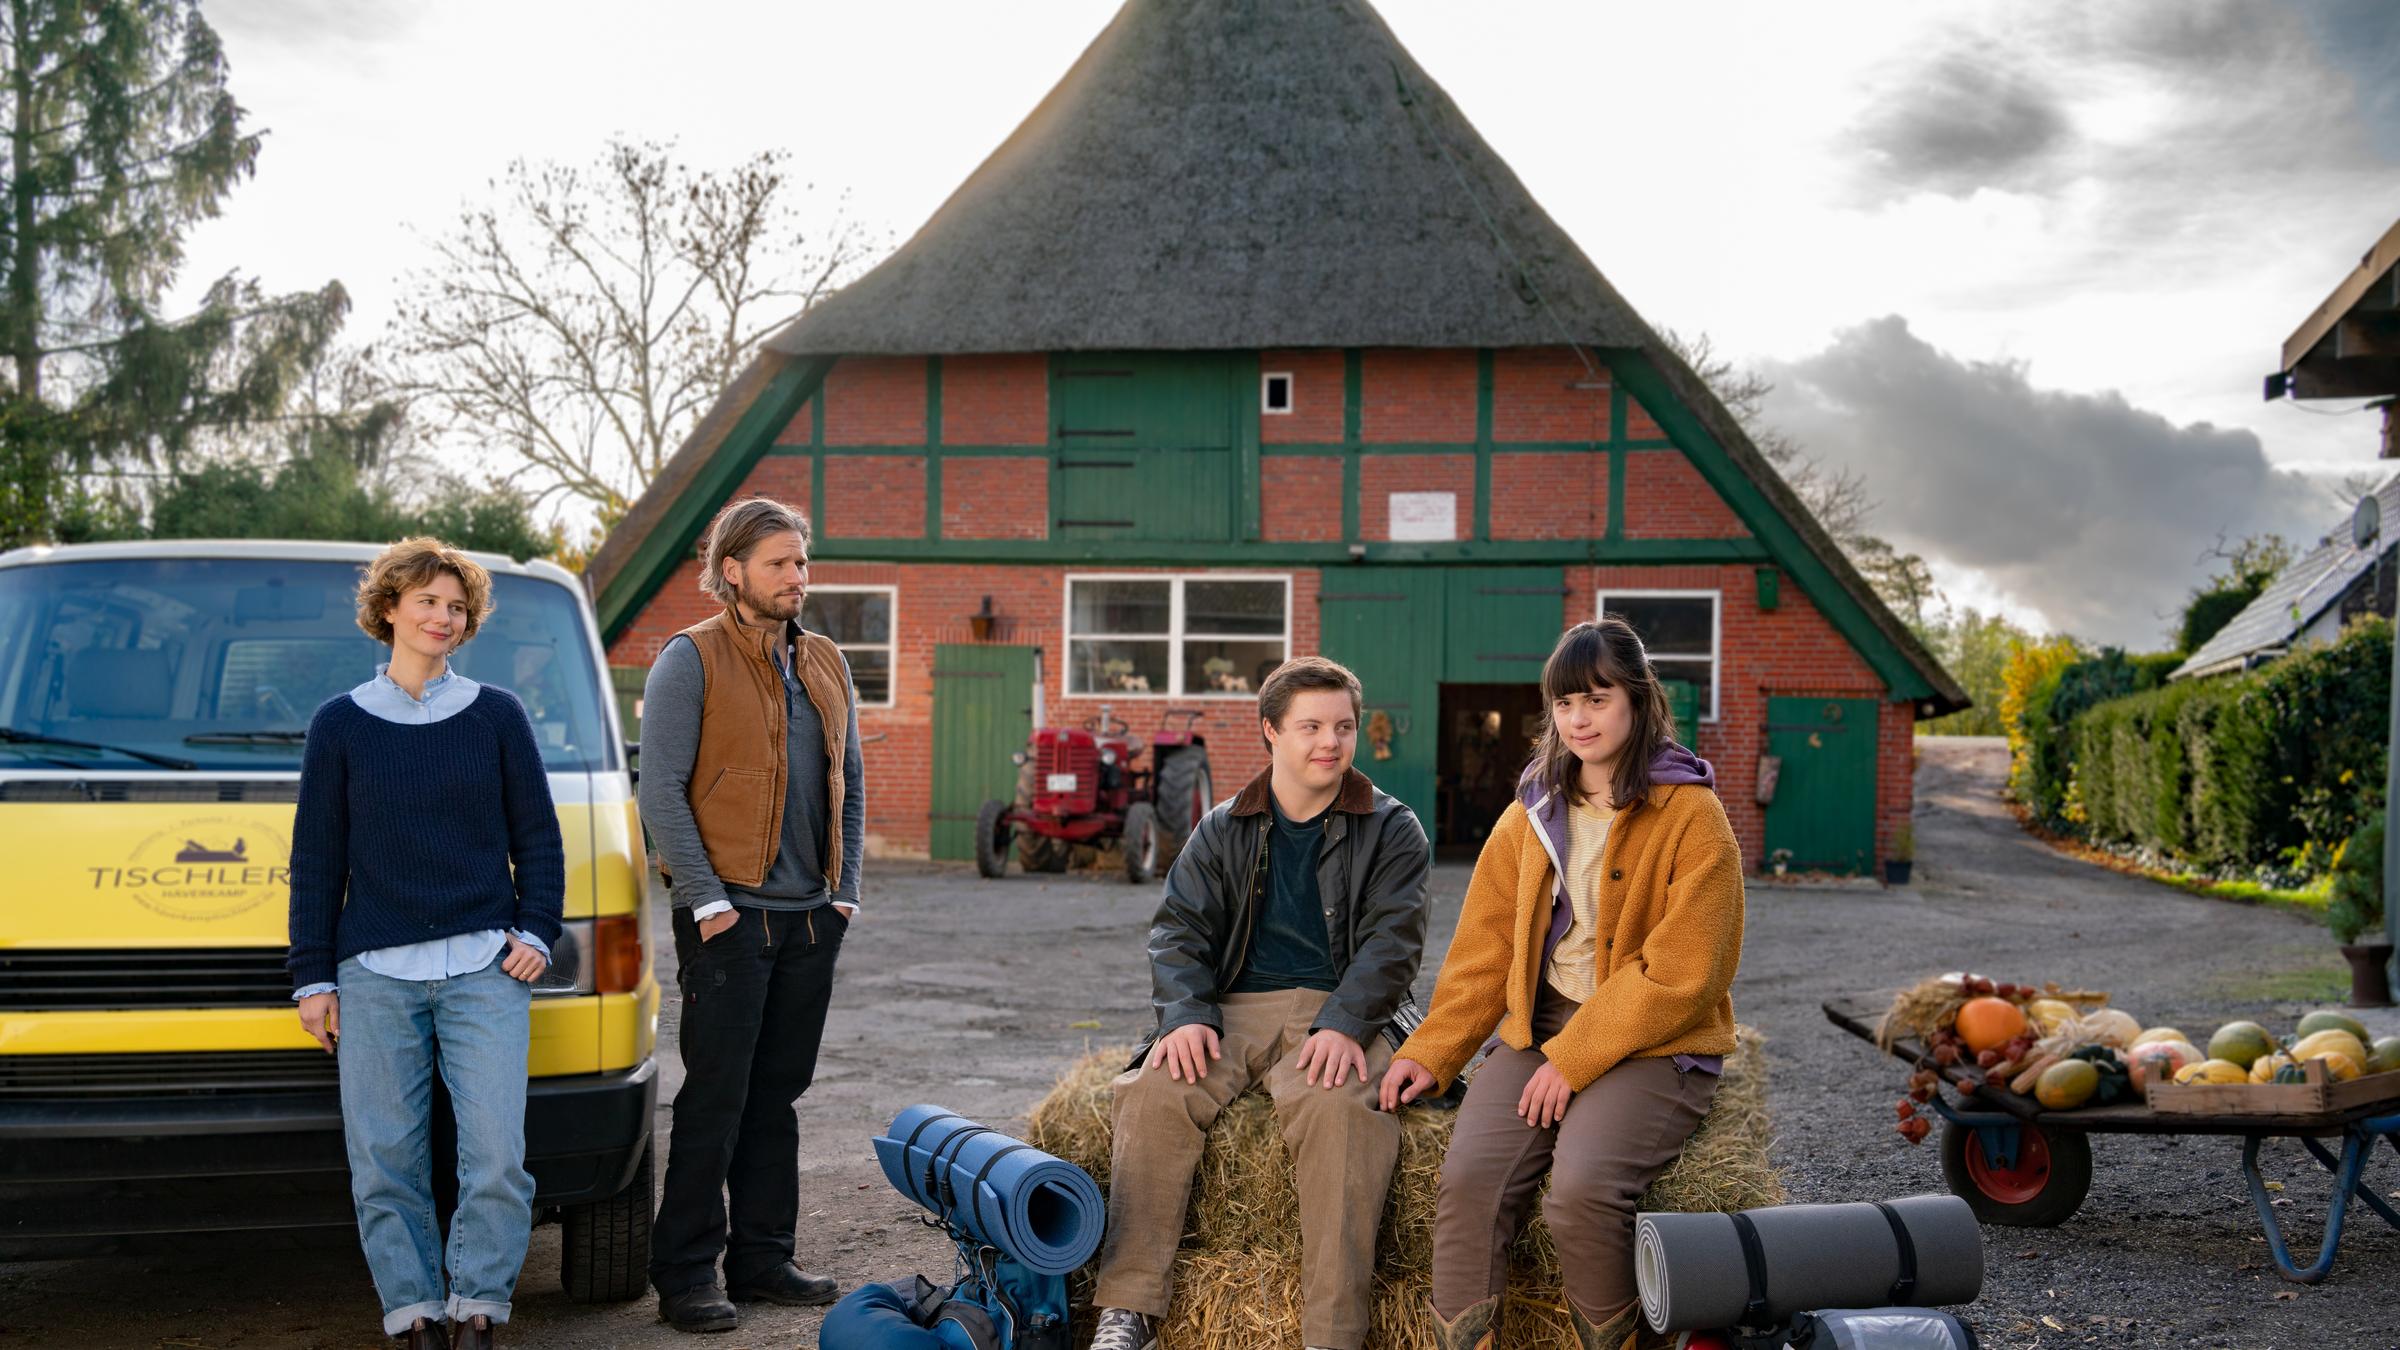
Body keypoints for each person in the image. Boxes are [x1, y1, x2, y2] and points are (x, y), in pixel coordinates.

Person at [1382, 619, 1746, 1350]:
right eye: (1565, 702)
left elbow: (1685, 973)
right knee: (1467, 1184)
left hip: (1655, 1043)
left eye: (1597, 700)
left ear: (1637, 700)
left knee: (1581, 1193)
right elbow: (1484, 951)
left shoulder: (1693, 816)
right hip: (1539, 1028)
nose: (1579, 719)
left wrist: (1570, 1061)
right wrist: (1431, 1050)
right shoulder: (1531, 813)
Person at [1089, 657, 1431, 1350]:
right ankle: (1128, 1310)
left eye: (1343, 727)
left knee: (1337, 1111)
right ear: (1271, 730)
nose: (1330, 742)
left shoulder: (1393, 828)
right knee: (1153, 1092)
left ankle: (1331, 1335)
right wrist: (1186, 1014)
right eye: (1311, 726)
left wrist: (1346, 1023)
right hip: (1237, 1004)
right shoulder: (1222, 827)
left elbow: (1394, 943)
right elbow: (1178, 931)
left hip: (1345, 1005)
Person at [287, 538, 564, 1350]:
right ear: (389, 609)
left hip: (485, 968)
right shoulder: (339, 724)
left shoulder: (497, 715)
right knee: (384, 1159)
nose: (444, 617)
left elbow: (538, 839)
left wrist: (537, 930)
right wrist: (312, 979)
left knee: (497, 1156)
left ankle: (479, 1304)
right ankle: (412, 1312)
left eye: (457, 607)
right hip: (374, 973)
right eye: (429, 602)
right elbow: (317, 860)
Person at [641, 496, 864, 1332]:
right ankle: (685, 1273)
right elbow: (660, 792)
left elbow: (851, 782)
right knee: (716, 1099)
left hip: (811, 918)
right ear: (731, 570)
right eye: (780, 563)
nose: (797, 576)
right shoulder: (690, 657)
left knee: (777, 1097)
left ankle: (764, 1258)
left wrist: (844, 893)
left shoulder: (826, 661)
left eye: (801, 561)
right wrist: (707, 901)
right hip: (729, 916)